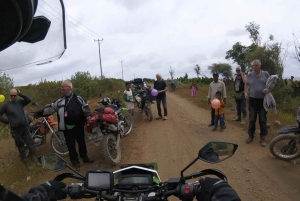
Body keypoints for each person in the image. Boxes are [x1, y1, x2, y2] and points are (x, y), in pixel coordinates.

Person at [34, 80, 93, 170]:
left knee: (82, 143)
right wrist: (38, 113)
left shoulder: (79, 98)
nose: (61, 88)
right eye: (61, 87)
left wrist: (88, 116)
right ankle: (75, 161)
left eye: (63, 87)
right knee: (71, 145)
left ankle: (84, 157)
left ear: (69, 88)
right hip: (67, 128)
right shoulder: (60, 101)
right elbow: (51, 108)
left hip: (79, 126)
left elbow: (86, 108)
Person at [0, 88, 40, 170]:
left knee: (30, 143)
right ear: (9, 96)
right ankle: (25, 162)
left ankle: (35, 159)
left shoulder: (20, 102)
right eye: (12, 95)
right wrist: (7, 121)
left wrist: (20, 93)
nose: (13, 97)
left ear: (16, 95)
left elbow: (28, 99)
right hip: (15, 130)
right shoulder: (6, 105)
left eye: (15, 95)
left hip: (24, 127)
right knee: (20, 145)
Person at [245, 59, 270, 147]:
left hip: (263, 101)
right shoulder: (250, 75)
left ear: (260, 66)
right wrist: (245, 92)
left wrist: (268, 89)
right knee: (252, 119)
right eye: (253, 65)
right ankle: (250, 136)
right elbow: (247, 84)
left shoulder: (265, 74)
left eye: (256, 65)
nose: (255, 67)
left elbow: (271, 85)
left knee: (262, 120)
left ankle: (263, 138)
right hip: (252, 100)